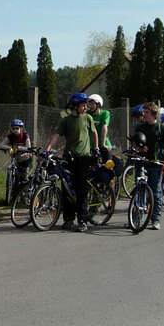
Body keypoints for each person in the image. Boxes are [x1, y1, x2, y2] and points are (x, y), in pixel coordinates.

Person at [45, 92, 99, 232]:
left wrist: (96, 148)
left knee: (82, 190)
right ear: (74, 107)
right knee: (66, 189)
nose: (85, 108)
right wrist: (48, 149)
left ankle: (82, 220)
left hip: (84, 157)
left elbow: (94, 133)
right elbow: (57, 135)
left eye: (85, 105)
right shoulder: (66, 120)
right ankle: (68, 219)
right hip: (68, 158)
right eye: (82, 106)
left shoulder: (87, 118)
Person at [133, 102, 164, 230]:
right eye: (143, 112)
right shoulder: (140, 127)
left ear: (153, 114)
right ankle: (136, 217)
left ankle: (155, 219)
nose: (144, 114)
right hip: (141, 162)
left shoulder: (161, 128)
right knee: (138, 191)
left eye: (146, 112)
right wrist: (138, 148)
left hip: (155, 164)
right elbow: (135, 144)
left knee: (155, 192)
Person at [86, 94, 112, 163]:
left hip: (104, 144)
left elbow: (104, 127)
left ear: (98, 105)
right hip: (92, 145)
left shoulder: (105, 113)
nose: (90, 106)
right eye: (89, 104)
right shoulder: (87, 114)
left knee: (108, 166)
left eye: (92, 104)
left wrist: (103, 144)